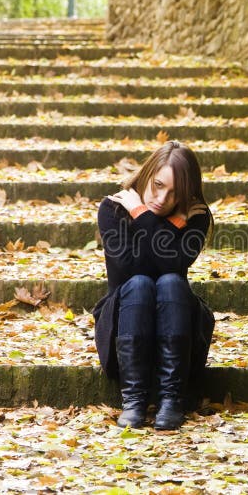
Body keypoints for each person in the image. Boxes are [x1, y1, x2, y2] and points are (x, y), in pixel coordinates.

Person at [91, 140, 214, 430]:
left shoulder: (195, 215)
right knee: (140, 284)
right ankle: (133, 400)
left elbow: (173, 266)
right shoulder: (113, 209)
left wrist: (144, 216)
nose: (162, 198)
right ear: (147, 174)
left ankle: (172, 399)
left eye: (174, 193)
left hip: (179, 332)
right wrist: (165, 222)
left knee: (171, 283)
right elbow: (131, 268)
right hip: (125, 326)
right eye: (158, 185)